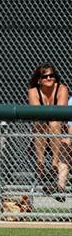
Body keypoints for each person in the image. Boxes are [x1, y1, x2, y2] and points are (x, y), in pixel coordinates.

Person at [28, 63, 69, 201]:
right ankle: (40, 163)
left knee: (54, 123)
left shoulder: (62, 89)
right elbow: (37, 114)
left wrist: (50, 120)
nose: (49, 78)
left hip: (59, 130)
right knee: (41, 124)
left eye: (52, 75)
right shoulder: (33, 91)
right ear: (39, 79)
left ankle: (54, 163)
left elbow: (60, 114)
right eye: (45, 76)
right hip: (41, 131)